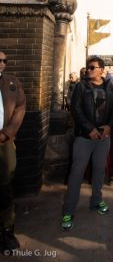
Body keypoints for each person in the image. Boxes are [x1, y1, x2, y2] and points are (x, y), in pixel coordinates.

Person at [61, 56, 113, 231]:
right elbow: (76, 109)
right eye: (88, 67)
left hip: (103, 137)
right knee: (76, 174)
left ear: (102, 70)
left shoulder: (110, 87)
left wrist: (109, 126)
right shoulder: (81, 86)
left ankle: (96, 201)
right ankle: (68, 211)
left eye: (93, 67)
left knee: (99, 171)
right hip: (84, 138)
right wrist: (89, 129)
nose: (89, 70)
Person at [0, 51, 26, 254]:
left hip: (4, 141)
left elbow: (20, 107)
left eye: (4, 60)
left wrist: (7, 133)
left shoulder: (11, 82)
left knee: (5, 184)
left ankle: (7, 230)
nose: (1, 63)